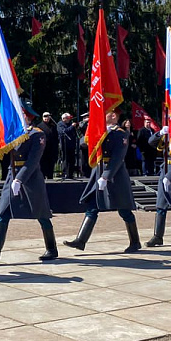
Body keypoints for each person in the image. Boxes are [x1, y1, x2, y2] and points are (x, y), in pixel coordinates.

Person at [0, 101, 58, 262]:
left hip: (30, 177)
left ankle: (51, 248)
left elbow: (33, 161)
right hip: (12, 173)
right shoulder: (14, 132)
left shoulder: (37, 134)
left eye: (20, 114)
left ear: (27, 117)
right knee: (3, 212)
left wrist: (20, 179)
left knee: (41, 213)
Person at [63, 101, 143, 252]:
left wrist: (106, 176)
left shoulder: (120, 133)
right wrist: (90, 130)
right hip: (99, 173)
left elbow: (118, 158)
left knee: (123, 210)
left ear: (113, 115)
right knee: (93, 207)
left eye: (105, 113)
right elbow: (83, 144)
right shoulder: (100, 130)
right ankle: (81, 240)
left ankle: (135, 241)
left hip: (115, 176)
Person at [57, 113, 79, 179]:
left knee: (72, 160)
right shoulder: (60, 124)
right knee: (65, 159)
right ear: (64, 118)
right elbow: (64, 131)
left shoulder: (70, 124)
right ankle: (65, 173)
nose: (69, 119)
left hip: (72, 144)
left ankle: (71, 173)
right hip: (65, 144)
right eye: (68, 118)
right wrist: (72, 126)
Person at [38, 112, 59, 179]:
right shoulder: (39, 126)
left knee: (51, 164)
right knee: (43, 164)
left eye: (48, 116)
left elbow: (56, 137)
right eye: (45, 116)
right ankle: (43, 177)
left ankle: (50, 176)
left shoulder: (53, 126)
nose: (47, 118)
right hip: (43, 148)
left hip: (52, 148)